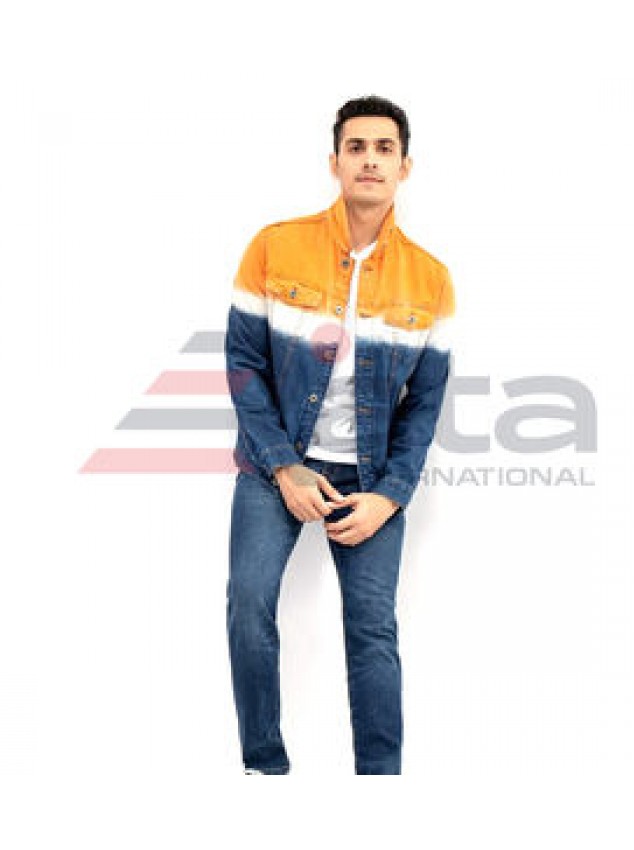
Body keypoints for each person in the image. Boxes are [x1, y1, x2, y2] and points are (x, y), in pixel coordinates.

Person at [224, 94, 456, 775]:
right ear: (335, 162)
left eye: (385, 148)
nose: (370, 160)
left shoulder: (431, 279)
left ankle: (379, 785)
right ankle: (264, 769)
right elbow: (242, 363)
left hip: (372, 478)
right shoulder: (274, 246)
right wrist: (283, 466)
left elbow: (426, 404)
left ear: (405, 167)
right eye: (357, 147)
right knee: (248, 604)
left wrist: (390, 494)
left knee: (373, 630)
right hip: (275, 466)